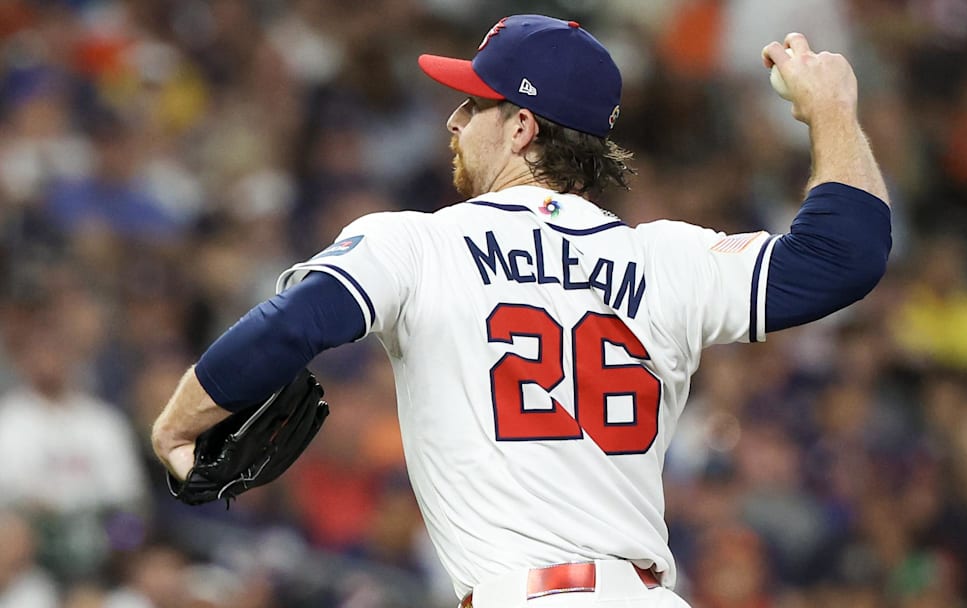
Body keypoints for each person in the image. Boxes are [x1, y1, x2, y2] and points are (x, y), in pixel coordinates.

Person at [151, 14, 891, 608]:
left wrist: (179, 423)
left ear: (521, 128)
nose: (453, 120)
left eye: (473, 103)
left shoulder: (418, 242)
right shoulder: (666, 259)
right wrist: (831, 111)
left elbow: (293, 324)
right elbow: (844, 257)